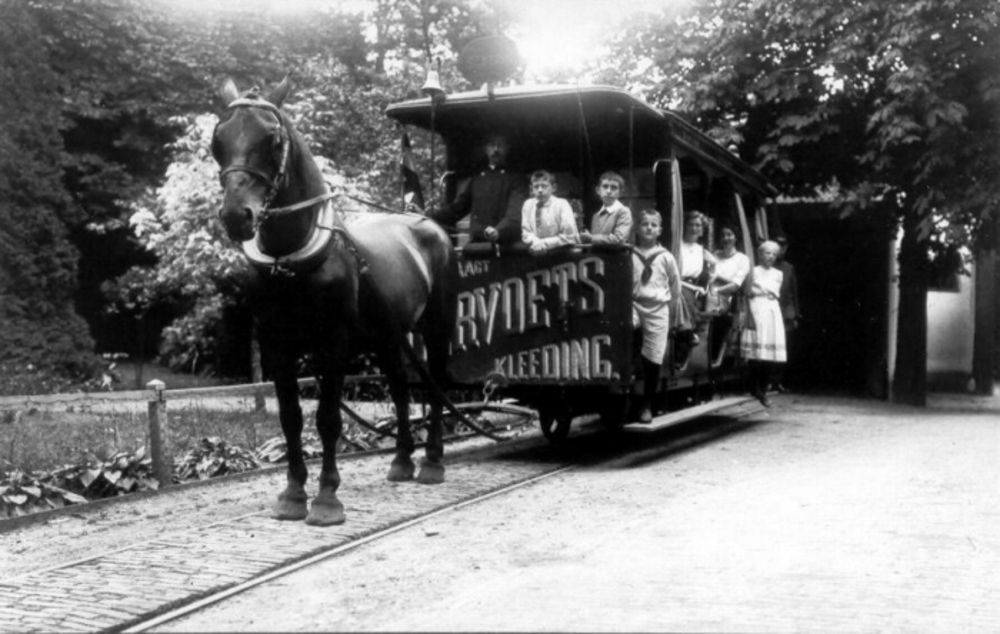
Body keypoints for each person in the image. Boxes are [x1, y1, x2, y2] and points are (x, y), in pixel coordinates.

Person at [414, 133, 527, 245]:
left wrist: (499, 231)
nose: (496, 150)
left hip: (505, 244)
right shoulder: (478, 179)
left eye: (500, 145)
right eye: (492, 145)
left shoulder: (516, 178)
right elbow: (457, 208)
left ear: (507, 148)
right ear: (486, 149)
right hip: (477, 242)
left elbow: (515, 213)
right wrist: (426, 216)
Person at [631, 209, 681, 423]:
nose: (649, 228)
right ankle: (628, 392)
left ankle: (647, 404)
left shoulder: (666, 257)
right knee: (626, 333)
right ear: (637, 228)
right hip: (634, 304)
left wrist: (667, 308)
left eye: (653, 225)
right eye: (645, 224)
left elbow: (675, 287)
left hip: (658, 308)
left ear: (660, 230)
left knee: (654, 357)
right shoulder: (630, 254)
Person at [740, 240, 787, 407]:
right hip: (757, 308)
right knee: (756, 349)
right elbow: (746, 291)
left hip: (772, 310)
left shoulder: (778, 274)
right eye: (768, 253)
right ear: (760, 254)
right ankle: (755, 388)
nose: (771, 256)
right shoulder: (753, 271)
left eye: (774, 254)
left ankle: (764, 388)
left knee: (769, 351)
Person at [675, 211, 717, 361]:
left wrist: (713, 264)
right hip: (678, 284)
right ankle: (690, 331)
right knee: (682, 294)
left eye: (698, 225)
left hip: (695, 289)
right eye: (691, 224)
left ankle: (688, 332)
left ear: (702, 230)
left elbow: (709, 279)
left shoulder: (702, 250)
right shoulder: (677, 245)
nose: (694, 228)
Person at [709, 223, 752, 359]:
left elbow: (735, 285)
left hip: (730, 299)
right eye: (723, 235)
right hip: (711, 298)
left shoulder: (743, 259)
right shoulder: (715, 255)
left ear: (736, 237)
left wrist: (716, 291)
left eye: (729, 235)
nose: (726, 238)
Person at [520, 170, 580, 255]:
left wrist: (544, 243)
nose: (540, 190)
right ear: (531, 189)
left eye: (544, 186)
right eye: (536, 187)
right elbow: (526, 233)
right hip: (537, 250)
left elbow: (569, 236)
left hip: (562, 253)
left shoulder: (562, 204)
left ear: (554, 188)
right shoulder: (528, 205)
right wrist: (536, 242)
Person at [773, 235, 801, 392]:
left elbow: (793, 291)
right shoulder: (767, 265)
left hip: (785, 312)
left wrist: (796, 314)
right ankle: (769, 381)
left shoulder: (789, 268)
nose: (780, 250)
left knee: (784, 346)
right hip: (771, 309)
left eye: (783, 246)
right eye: (777, 246)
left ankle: (779, 380)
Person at [580, 171, 633, 246]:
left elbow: (619, 239)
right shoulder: (596, 216)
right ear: (598, 190)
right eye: (605, 186)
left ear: (620, 193)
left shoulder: (623, 212)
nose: (609, 191)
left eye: (614, 188)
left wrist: (591, 238)